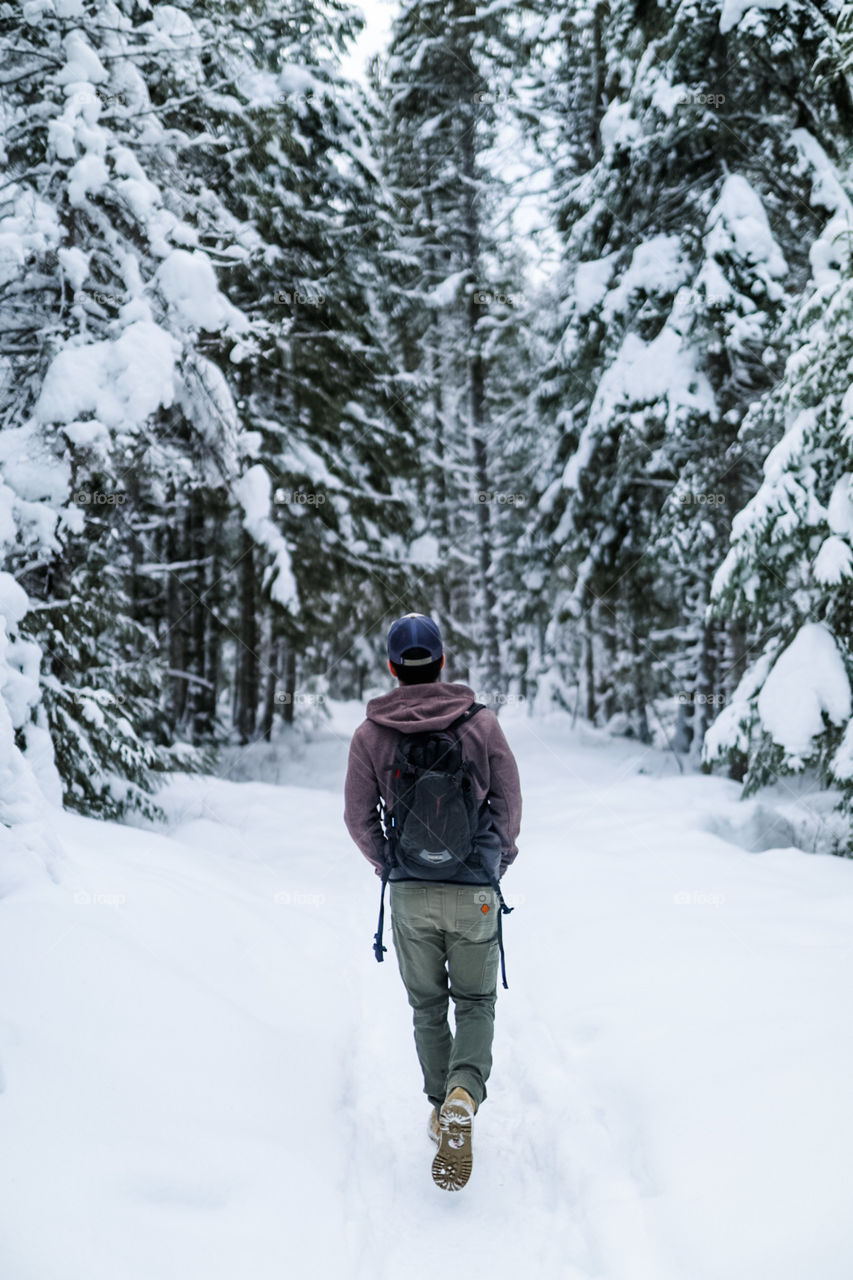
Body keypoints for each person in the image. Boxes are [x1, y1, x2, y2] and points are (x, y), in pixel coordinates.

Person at [343, 612, 522, 1190]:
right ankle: (463, 1095)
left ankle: (441, 1105)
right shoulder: (481, 723)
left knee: (427, 1006)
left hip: (410, 894)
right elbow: (509, 804)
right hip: (474, 893)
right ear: (442, 661)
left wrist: (389, 863)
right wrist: (496, 861)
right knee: (475, 1001)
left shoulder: (370, 735)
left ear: (392, 667)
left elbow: (357, 817)